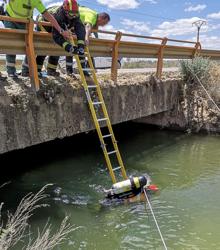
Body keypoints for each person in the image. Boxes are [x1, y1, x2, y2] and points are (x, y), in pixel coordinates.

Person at [4, 0, 70, 78]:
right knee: (11, 43)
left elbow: (47, 15)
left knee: (31, 45)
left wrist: (60, 30)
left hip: (26, 21)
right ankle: (11, 71)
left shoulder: (36, 1)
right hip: (10, 18)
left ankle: (25, 70)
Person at [47, 7, 110, 76]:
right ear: (101, 18)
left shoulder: (92, 15)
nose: (103, 25)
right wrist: (86, 38)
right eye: (104, 23)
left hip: (71, 25)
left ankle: (72, 71)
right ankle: (73, 71)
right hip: (66, 23)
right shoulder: (92, 16)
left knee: (76, 48)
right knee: (69, 47)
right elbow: (88, 26)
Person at [34, 0, 87, 77]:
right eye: (71, 14)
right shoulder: (59, 15)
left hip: (59, 26)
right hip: (44, 24)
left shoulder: (75, 14)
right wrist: (69, 47)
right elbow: (56, 36)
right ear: (65, 11)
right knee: (44, 48)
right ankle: (37, 70)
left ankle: (51, 70)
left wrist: (81, 46)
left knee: (57, 49)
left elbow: (80, 29)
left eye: (75, 14)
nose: (73, 16)